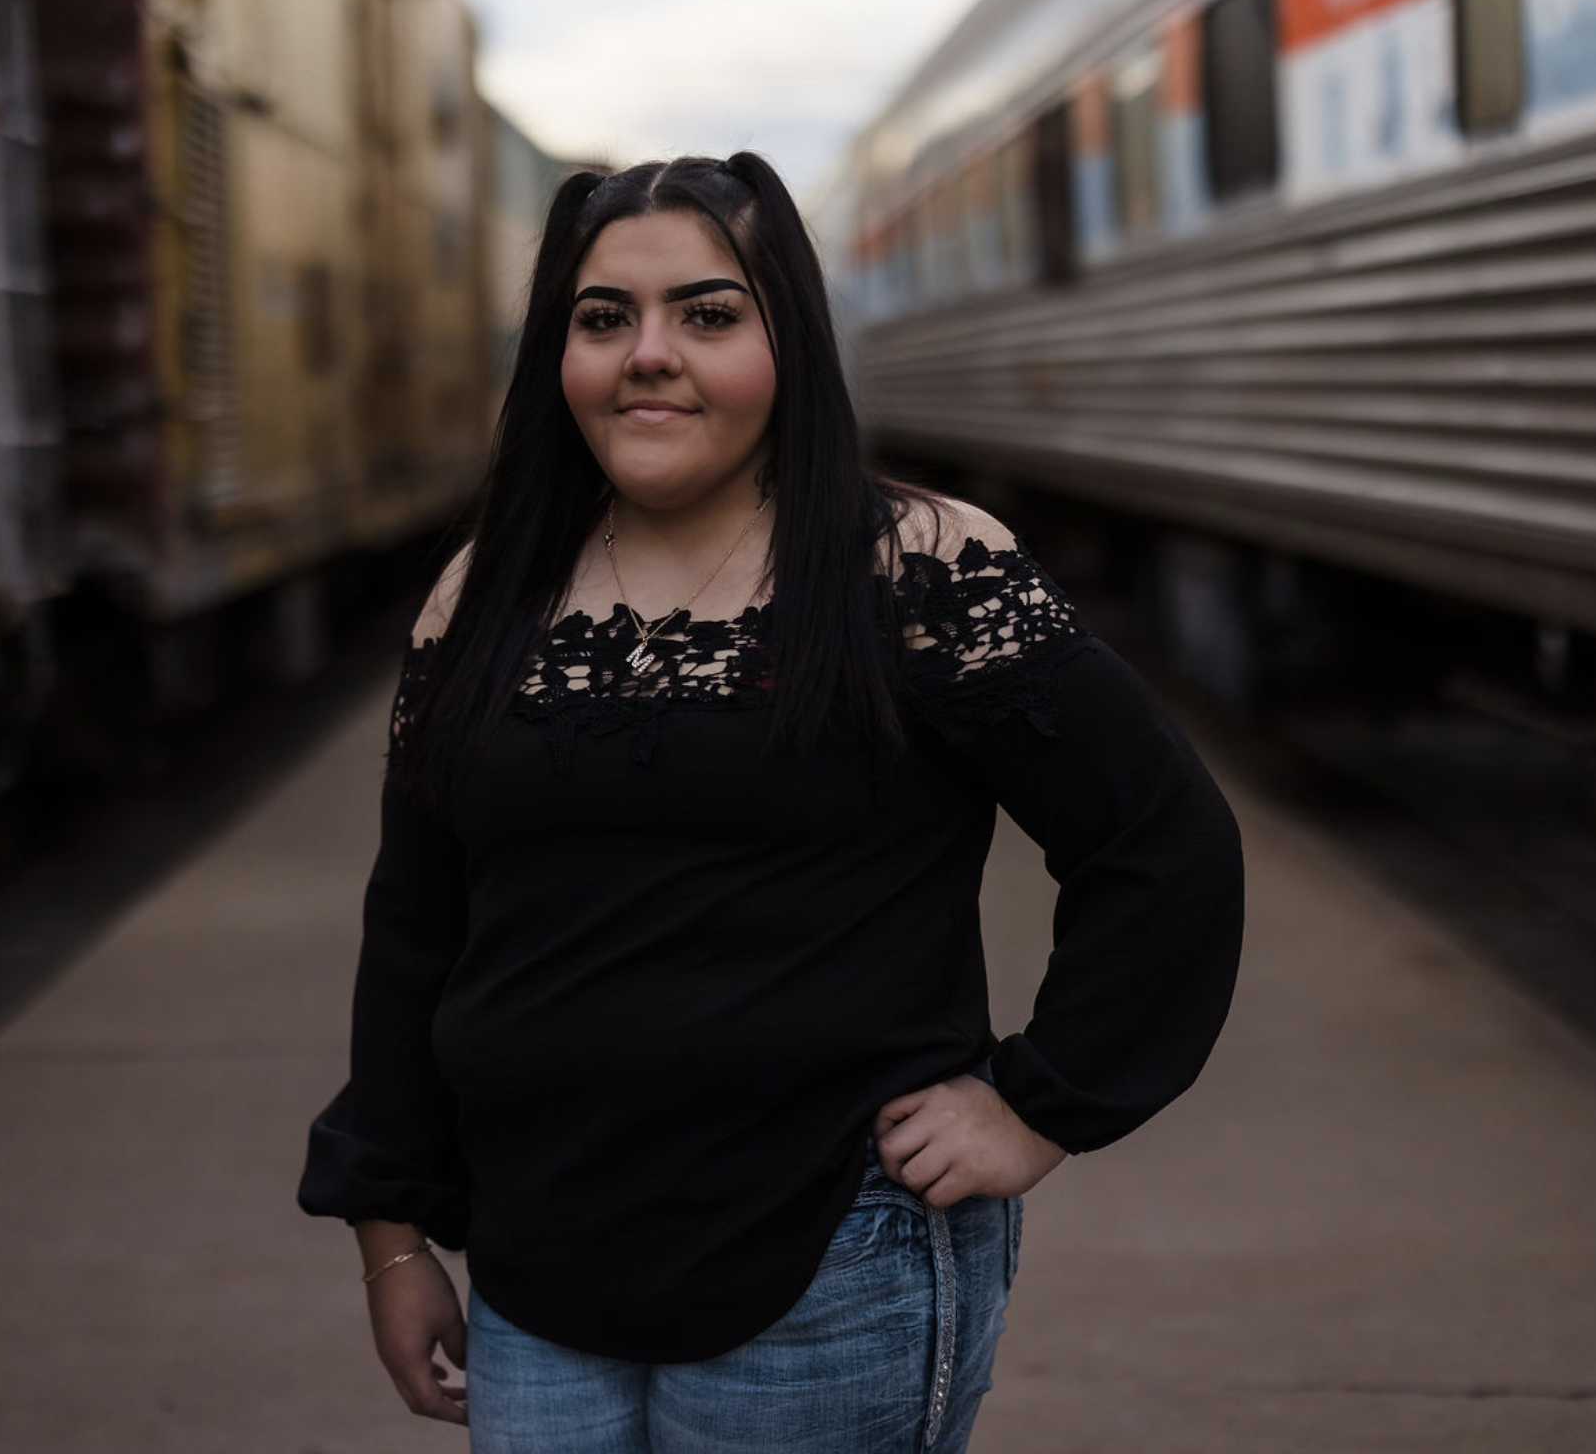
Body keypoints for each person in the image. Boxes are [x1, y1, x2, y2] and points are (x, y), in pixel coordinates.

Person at [299, 151, 1244, 1453]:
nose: (647, 353)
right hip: (534, 1257)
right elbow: (418, 926)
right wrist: (391, 1238)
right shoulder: (482, 595)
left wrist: (1043, 1103)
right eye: (600, 318)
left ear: (786, 337)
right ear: (554, 355)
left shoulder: (919, 568)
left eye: (706, 312)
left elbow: (1159, 841)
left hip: (830, 1254)